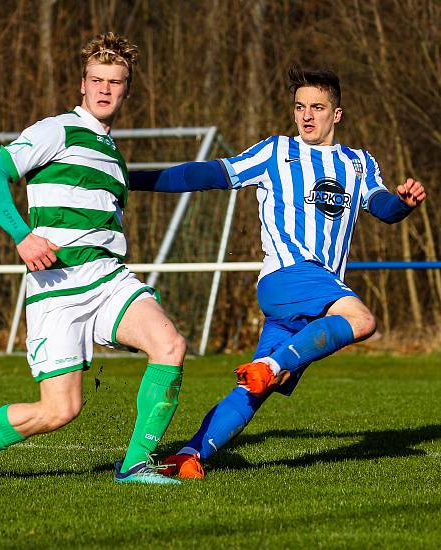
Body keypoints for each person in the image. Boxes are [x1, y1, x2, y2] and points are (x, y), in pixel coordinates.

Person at [0, 32, 188, 485]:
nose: (104, 89)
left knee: (170, 344)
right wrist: (22, 235)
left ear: (127, 90)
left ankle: (136, 463)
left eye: (115, 82)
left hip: (110, 278)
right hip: (57, 287)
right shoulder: (55, 129)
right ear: (82, 84)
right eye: (97, 79)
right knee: (59, 411)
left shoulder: (113, 155)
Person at [129, 66, 426, 478]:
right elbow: (208, 174)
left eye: (317, 108)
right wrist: (129, 180)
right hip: (289, 275)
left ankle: (188, 455)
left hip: (312, 291)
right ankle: (271, 366)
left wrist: (404, 204)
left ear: (336, 114)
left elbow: (382, 207)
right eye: (300, 107)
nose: (306, 115)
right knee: (361, 319)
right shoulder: (275, 152)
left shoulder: (359, 163)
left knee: (256, 387)